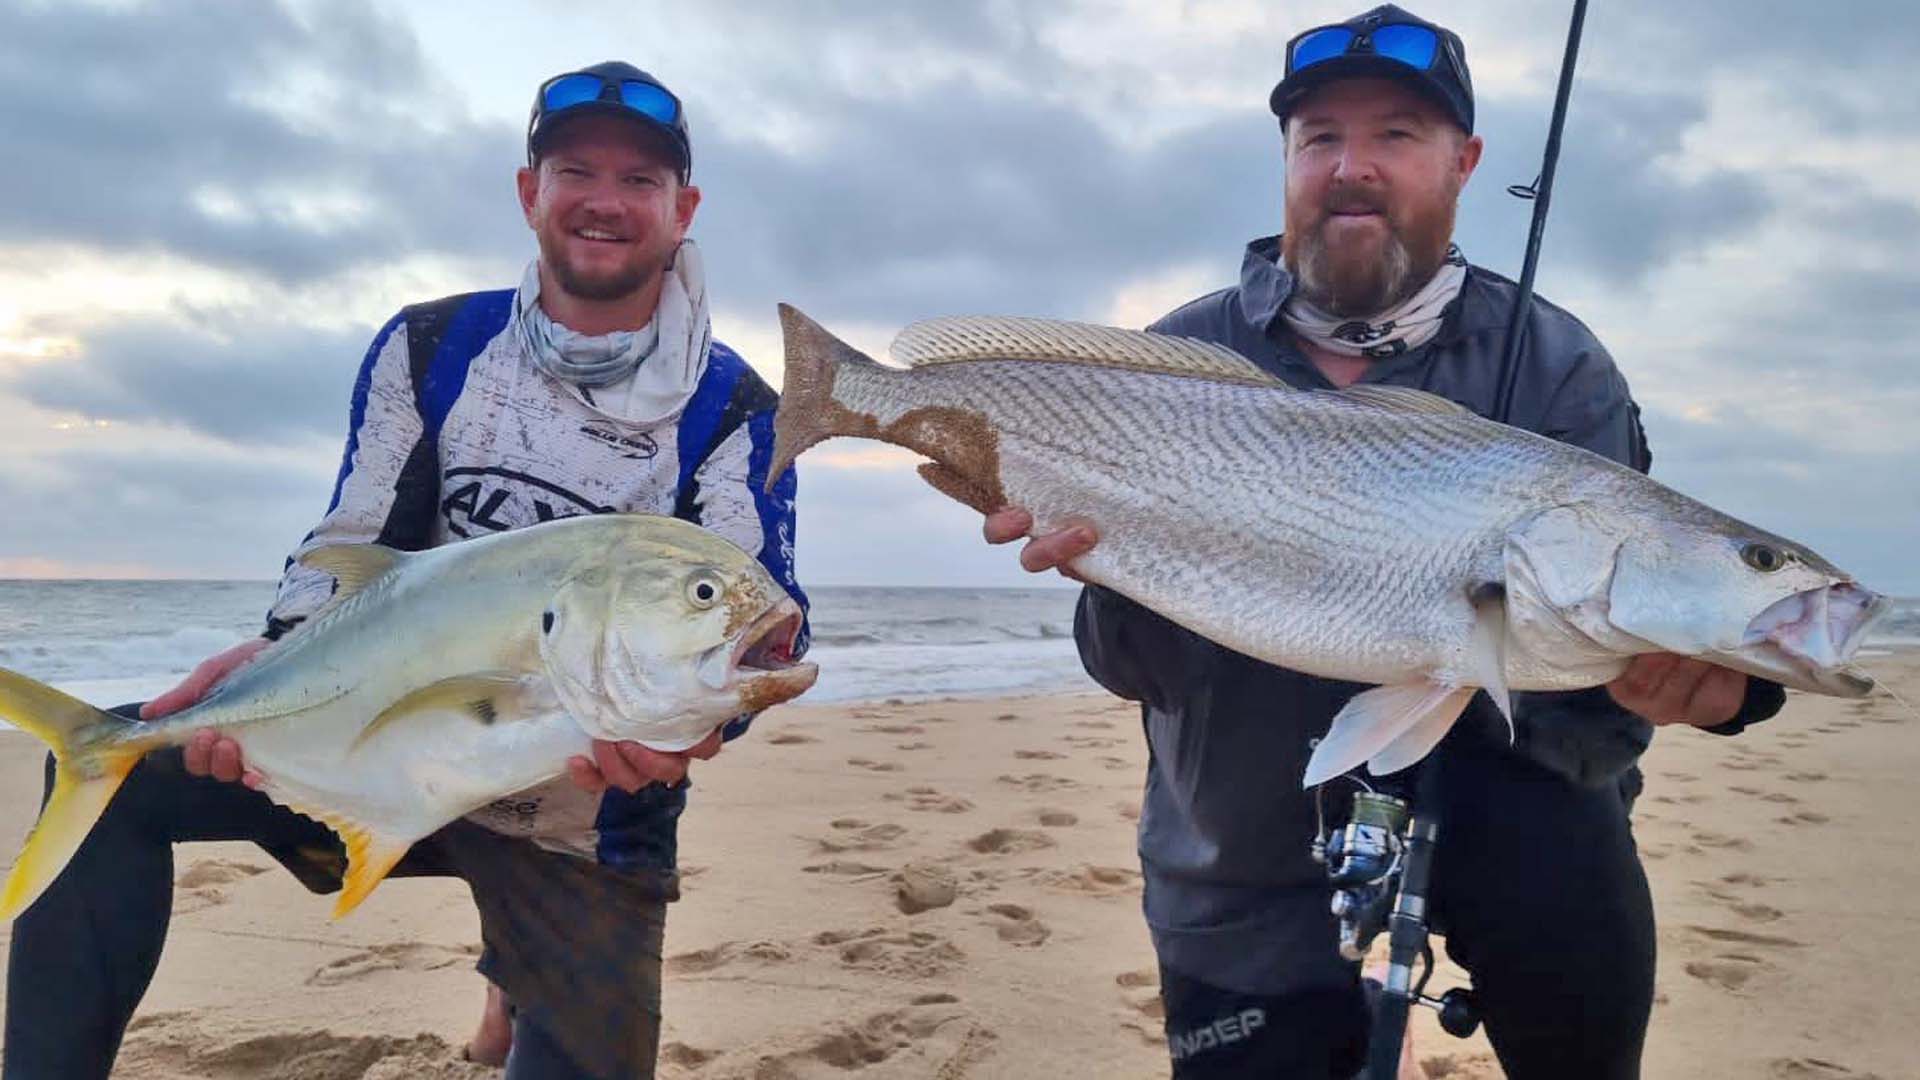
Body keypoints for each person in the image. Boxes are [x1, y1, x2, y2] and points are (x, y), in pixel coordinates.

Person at [983, 7, 1783, 1078]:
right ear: (1286, 160)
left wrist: (1707, 685)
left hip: (1524, 829)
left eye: (1396, 134)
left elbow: (1625, 647)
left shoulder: (1559, 367)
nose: (1350, 166)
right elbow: (1130, 668)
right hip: (1241, 845)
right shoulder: (1173, 362)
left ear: (1465, 162)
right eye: (1319, 137)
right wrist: (1110, 573)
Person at [3, 61, 806, 1080]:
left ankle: (517, 972)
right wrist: (277, 659)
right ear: (531, 192)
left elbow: (761, 625)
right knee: (110, 777)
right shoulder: (435, 345)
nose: (605, 201)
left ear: (682, 209)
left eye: (640, 180)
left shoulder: (737, 406)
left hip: (584, 816)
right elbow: (357, 541)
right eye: (575, 172)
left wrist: (704, 727)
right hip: (376, 751)